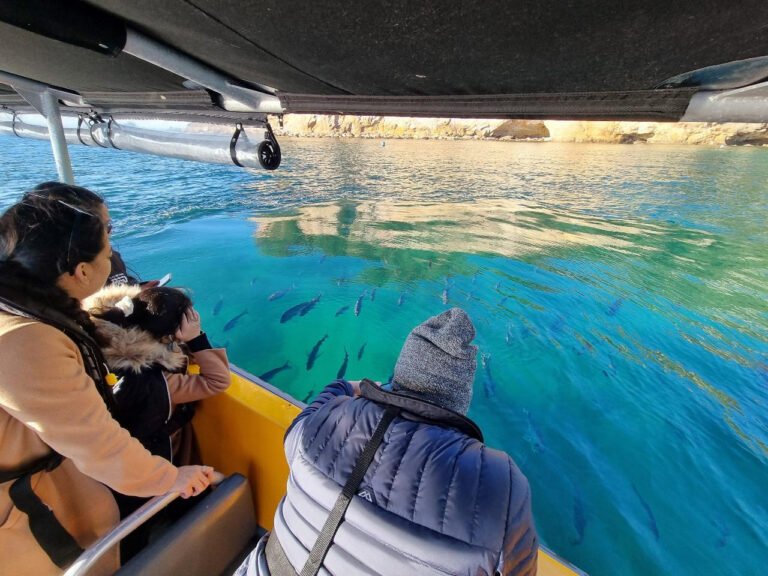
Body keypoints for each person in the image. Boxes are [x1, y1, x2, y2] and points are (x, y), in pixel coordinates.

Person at [0, 187, 214, 576]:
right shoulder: (24, 341)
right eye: (107, 245)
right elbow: (97, 444)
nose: (113, 253)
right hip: (23, 512)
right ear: (81, 272)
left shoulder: (24, 307)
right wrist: (169, 477)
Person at [237, 308, 538, 576]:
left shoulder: (326, 419)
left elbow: (296, 430)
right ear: (461, 398)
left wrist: (351, 386)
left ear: (399, 375)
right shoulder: (503, 483)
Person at [85, 284, 230, 464]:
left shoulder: (97, 341)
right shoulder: (160, 382)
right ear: (169, 337)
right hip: (154, 456)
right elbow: (218, 381)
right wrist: (195, 339)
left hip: (112, 451)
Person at [21, 181, 156, 287]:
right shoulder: (54, 285)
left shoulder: (111, 258)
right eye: (105, 227)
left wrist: (137, 289)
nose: (110, 232)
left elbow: (124, 281)